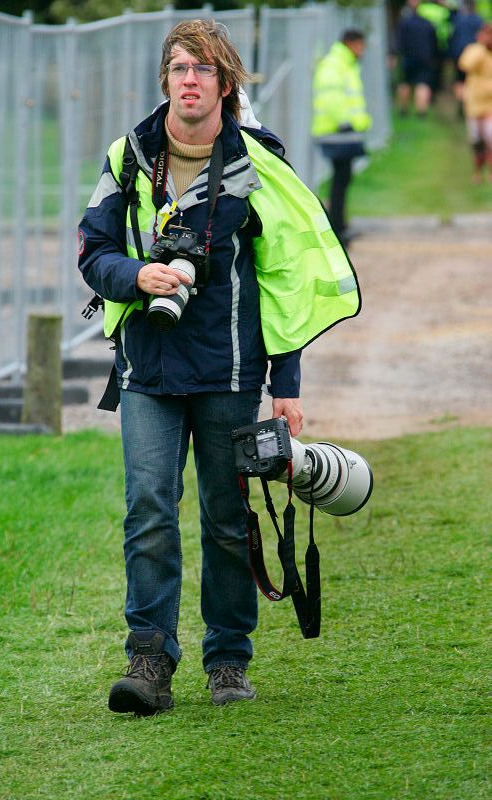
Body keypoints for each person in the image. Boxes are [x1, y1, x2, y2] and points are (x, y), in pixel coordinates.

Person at [78, 18, 360, 716]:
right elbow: (92, 250)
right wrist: (135, 276)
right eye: (178, 68)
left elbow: (283, 280)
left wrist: (285, 385)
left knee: (229, 519)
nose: (189, 80)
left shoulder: (255, 165)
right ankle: (149, 661)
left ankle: (228, 659)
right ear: (165, 79)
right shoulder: (129, 155)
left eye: (203, 69)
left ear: (226, 84)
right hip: (147, 369)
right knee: (148, 512)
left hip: (232, 372)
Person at [311, 29, 372, 245]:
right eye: (359, 46)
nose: (361, 51)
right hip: (337, 133)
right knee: (340, 181)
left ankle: (340, 225)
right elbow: (331, 98)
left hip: (341, 133)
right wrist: (347, 123)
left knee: (342, 180)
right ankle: (337, 229)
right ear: (350, 43)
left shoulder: (342, 63)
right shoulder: (335, 64)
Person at [458, 22, 492, 181]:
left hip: (490, 103)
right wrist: (481, 48)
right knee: (476, 139)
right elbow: (465, 64)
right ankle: (477, 170)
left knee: (490, 137)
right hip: (475, 101)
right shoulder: (474, 50)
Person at [395, 0, 438, 116]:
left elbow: (398, 41)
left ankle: (403, 109)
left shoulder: (404, 23)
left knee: (405, 83)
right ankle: (421, 111)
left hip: (407, 57)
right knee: (423, 84)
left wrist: (394, 54)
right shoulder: (428, 24)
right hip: (425, 58)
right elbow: (434, 43)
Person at [449, 0, 484, 114]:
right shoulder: (479, 21)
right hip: (475, 55)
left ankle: (461, 103)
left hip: (458, 54)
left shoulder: (458, 20)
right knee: (472, 79)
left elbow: (452, 37)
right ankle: (470, 103)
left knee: (459, 80)